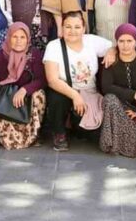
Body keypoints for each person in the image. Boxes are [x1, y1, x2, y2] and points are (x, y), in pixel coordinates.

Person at [42, 11, 113, 151]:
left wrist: (112, 52)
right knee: (56, 96)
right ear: (61, 28)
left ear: (83, 28)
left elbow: (112, 46)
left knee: (93, 135)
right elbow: (52, 80)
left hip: (90, 93)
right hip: (66, 92)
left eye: (77, 27)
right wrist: (75, 96)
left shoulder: (91, 41)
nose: (72, 31)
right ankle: (59, 132)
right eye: (68, 27)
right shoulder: (54, 46)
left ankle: (75, 126)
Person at [0, 22, 47, 150]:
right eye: (15, 37)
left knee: (39, 95)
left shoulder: (34, 54)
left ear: (28, 39)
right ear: (8, 38)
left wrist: (25, 90)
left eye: (22, 37)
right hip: (6, 102)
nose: (19, 41)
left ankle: (32, 134)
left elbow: (42, 80)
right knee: (8, 138)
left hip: (27, 100)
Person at [98, 23, 136, 157]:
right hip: (119, 107)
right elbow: (106, 87)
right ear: (117, 42)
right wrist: (132, 94)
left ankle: (128, 143)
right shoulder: (111, 59)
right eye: (121, 41)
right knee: (109, 99)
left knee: (133, 142)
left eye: (129, 41)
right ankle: (114, 145)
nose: (125, 45)